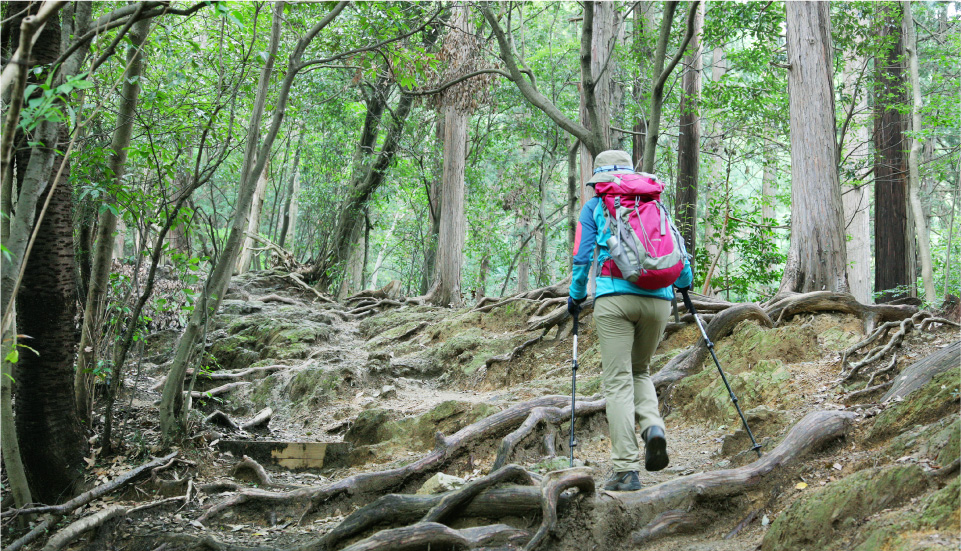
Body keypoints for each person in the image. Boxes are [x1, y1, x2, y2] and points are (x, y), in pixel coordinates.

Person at [567, 150, 693, 492]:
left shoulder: (595, 206)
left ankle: (625, 469)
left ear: (599, 179)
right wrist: (684, 286)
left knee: (619, 380)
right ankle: (653, 428)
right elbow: (676, 250)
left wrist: (576, 296)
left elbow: (581, 258)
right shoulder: (653, 201)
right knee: (641, 371)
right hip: (659, 301)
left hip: (615, 300)